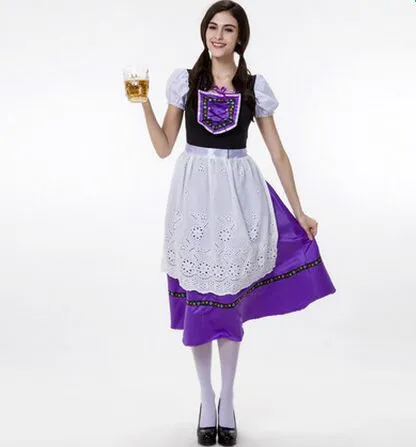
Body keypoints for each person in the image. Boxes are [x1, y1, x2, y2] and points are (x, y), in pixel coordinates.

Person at [140, 1, 336, 445]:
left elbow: (278, 152)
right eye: (213, 27)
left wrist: (299, 210)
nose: (218, 35)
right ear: (204, 32)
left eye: (228, 29)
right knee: (199, 301)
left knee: (227, 302)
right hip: (194, 198)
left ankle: (227, 398)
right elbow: (164, 146)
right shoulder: (185, 83)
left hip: (238, 198)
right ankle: (206, 400)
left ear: (240, 38)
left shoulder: (253, 87)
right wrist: (144, 104)